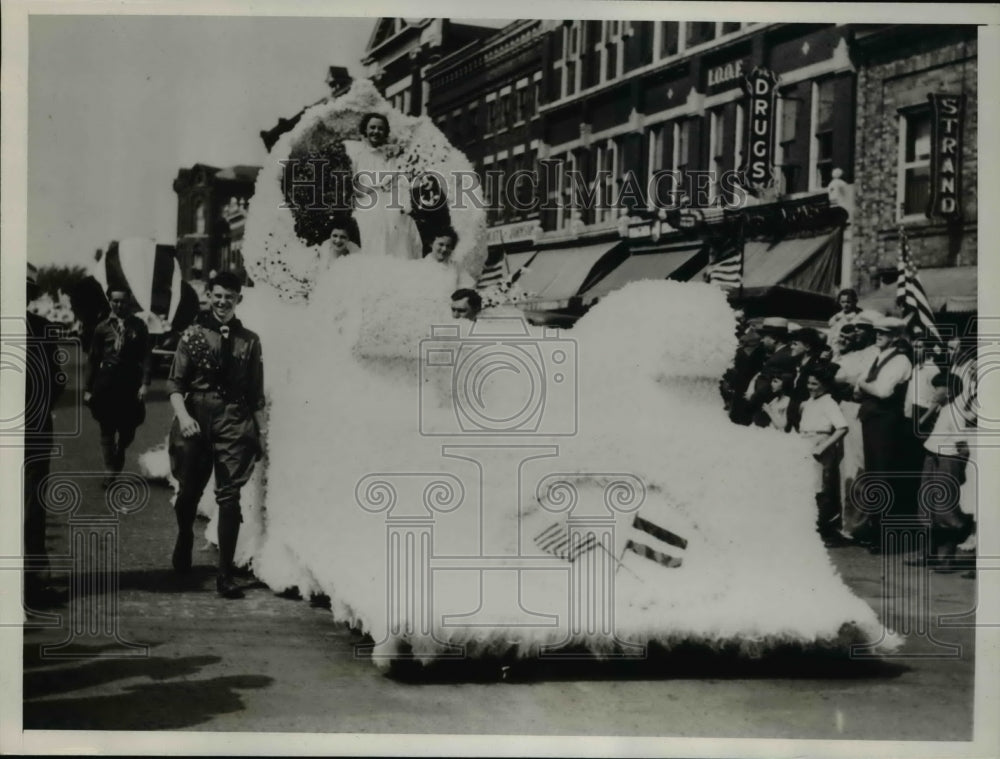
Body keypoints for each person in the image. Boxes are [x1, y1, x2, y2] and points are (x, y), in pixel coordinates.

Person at [166, 271, 266, 599]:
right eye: (217, 295)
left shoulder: (249, 340)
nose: (223, 302)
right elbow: (176, 385)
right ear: (209, 295)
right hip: (195, 418)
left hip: (233, 421)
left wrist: (260, 433)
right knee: (189, 492)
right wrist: (183, 418)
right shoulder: (192, 336)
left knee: (229, 496)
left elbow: (255, 394)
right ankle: (183, 535)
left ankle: (224, 575)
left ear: (239, 299)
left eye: (230, 297)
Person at [24, 263, 67, 607]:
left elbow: (57, 381)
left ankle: (35, 581)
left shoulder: (45, 329)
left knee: (33, 505)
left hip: (34, 430)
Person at [853, 315, 913, 550]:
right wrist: (864, 387)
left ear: (896, 337)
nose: (878, 335)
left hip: (886, 423)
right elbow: (865, 388)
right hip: (872, 419)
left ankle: (886, 536)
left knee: (884, 475)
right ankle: (875, 529)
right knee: (874, 474)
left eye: (885, 333)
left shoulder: (900, 361)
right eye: (877, 332)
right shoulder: (878, 356)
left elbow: (883, 391)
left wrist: (863, 385)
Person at [906, 372, 973, 572]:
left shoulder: (955, 411)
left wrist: (958, 468)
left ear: (950, 391)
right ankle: (929, 553)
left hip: (947, 460)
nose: (934, 391)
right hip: (932, 457)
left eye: (939, 388)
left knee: (945, 509)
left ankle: (948, 558)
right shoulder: (941, 409)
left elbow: (963, 445)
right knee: (927, 506)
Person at [83, 288, 151, 487]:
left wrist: (145, 384)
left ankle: (120, 449)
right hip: (106, 383)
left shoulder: (138, 326)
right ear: (110, 301)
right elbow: (93, 359)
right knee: (107, 427)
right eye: (115, 301)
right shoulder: (102, 328)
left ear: (129, 302)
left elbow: (146, 356)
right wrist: (88, 388)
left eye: (123, 302)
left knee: (128, 428)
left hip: (130, 382)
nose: (119, 305)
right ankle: (110, 471)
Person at [344, 112, 423, 260]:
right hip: (366, 204)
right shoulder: (356, 153)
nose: (376, 131)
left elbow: (398, 180)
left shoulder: (390, 154)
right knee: (370, 240)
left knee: (397, 238)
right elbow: (352, 183)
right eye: (372, 127)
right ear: (365, 130)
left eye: (380, 128)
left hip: (390, 203)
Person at [799, 365, 850, 546]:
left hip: (819, 444)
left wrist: (823, 447)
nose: (810, 387)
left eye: (815, 384)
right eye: (809, 383)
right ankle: (811, 528)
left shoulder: (829, 403)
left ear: (825, 386)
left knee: (821, 488)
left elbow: (842, 428)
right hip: (805, 442)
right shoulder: (810, 402)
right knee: (808, 487)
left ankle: (826, 531)